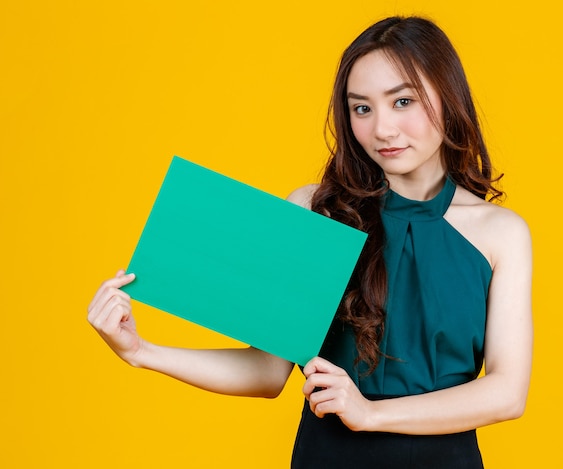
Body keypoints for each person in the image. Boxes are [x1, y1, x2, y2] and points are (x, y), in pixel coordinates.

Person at [88, 16, 532, 468]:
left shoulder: (501, 233)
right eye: (362, 108)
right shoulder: (316, 210)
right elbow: (266, 371)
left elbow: (507, 392)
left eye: (403, 101)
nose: (382, 129)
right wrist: (141, 352)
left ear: (448, 97)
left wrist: (371, 413)